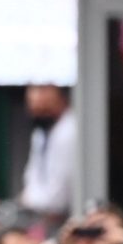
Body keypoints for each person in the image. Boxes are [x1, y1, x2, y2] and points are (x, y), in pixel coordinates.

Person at [17, 84, 76, 226]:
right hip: (41, 217)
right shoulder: (41, 133)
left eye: (44, 108)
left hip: (68, 216)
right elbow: (30, 179)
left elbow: (57, 200)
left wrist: (30, 201)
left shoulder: (70, 130)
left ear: (60, 99)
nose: (38, 113)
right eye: (34, 109)